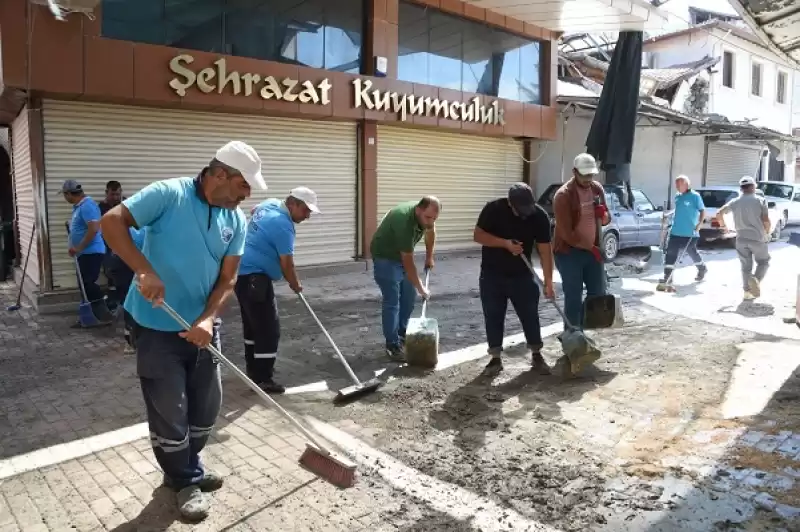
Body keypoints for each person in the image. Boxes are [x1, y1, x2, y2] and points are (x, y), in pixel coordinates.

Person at [100, 140, 265, 522]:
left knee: (207, 406)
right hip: (156, 325)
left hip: (202, 329)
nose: (247, 194)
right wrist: (144, 270)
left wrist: (207, 318)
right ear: (220, 175)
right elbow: (111, 222)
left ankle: (187, 464)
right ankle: (184, 479)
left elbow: (228, 278)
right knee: (169, 410)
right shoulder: (168, 195)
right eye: (243, 185)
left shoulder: (235, 220)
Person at [236, 186, 320, 394]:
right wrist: (295, 284)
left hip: (241, 274)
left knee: (253, 327)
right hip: (256, 278)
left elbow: (254, 210)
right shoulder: (283, 225)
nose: (308, 216)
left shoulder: (270, 204)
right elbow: (287, 263)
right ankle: (263, 379)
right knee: (268, 330)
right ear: (292, 204)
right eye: (305, 210)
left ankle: (253, 372)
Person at [474, 183, 555, 374]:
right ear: (510, 203)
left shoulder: (539, 216)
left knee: (530, 315)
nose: (525, 213)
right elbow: (478, 236)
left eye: (528, 208)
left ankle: (536, 354)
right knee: (493, 316)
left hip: (522, 275)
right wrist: (505, 244)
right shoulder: (493, 209)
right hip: (492, 274)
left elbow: (545, 251)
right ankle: (495, 358)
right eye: (521, 209)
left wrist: (549, 282)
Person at [370, 196, 440, 361]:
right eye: (428, 218)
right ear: (418, 210)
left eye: (434, 218)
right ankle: (392, 345)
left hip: (401, 254)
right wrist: (422, 288)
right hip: (385, 257)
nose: (430, 222)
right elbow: (408, 264)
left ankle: (402, 334)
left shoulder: (427, 217)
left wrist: (429, 257)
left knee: (408, 296)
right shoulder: (404, 222)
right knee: (392, 300)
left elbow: (431, 232)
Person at [552, 153, 611, 329]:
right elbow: (566, 233)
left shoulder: (597, 189)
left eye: (591, 175)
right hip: (569, 252)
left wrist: (604, 215)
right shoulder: (563, 196)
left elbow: (607, 219)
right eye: (584, 175)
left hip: (593, 250)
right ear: (574, 172)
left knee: (597, 293)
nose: (588, 179)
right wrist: (590, 247)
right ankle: (573, 336)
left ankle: (584, 327)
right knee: (573, 296)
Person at [63, 180, 112, 325]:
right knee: (84, 285)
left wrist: (79, 247)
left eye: (65, 195)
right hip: (84, 253)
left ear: (70, 194)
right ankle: (90, 316)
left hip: (91, 252)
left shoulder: (87, 206)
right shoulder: (79, 207)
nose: (64, 198)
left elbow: (94, 228)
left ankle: (103, 315)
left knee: (88, 284)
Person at [716, 176, 771, 300]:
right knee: (764, 262)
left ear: (741, 188)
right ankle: (755, 281)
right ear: (753, 187)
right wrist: (767, 233)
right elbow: (766, 220)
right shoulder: (760, 200)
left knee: (745, 266)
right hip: (757, 237)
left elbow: (719, 213)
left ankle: (747, 293)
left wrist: (724, 226)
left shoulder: (734, 202)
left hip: (740, 239)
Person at [658, 175, 706, 289]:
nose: (676, 187)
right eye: (676, 184)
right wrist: (668, 214)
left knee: (692, 252)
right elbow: (679, 209)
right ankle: (667, 277)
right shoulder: (678, 196)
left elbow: (702, 210)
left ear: (686, 184)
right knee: (670, 253)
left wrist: (699, 224)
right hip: (675, 231)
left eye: (678, 184)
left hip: (690, 232)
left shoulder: (695, 196)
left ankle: (702, 268)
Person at [106, 226, 145, 353]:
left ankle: (131, 339)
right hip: (126, 265)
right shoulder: (144, 229)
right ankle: (132, 340)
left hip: (121, 264)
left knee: (129, 300)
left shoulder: (135, 226)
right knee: (132, 301)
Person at [99, 181, 126, 310]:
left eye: (118, 194)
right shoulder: (101, 208)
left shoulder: (125, 205)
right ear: (106, 193)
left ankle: (123, 301)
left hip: (125, 246)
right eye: (113, 194)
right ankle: (112, 301)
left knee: (124, 274)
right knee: (110, 273)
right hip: (108, 246)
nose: (116, 197)